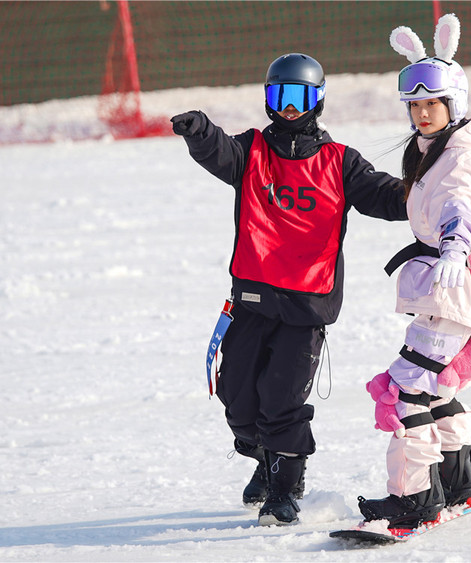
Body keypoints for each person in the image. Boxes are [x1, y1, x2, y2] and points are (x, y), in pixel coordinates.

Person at [171, 53, 407, 526]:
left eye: (300, 97)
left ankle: (284, 488)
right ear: (268, 99)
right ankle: (265, 460)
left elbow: (384, 195)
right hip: (252, 298)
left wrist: (425, 192)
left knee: (281, 400)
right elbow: (220, 151)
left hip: (307, 304)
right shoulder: (252, 151)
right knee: (237, 399)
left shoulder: (340, 161)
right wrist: (200, 132)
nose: (290, 107)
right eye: (281, 96)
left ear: (317, 100)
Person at [357, 14, 471, 528]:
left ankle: (415, 499)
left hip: (451, 287)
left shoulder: (458, 157)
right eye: (414, 104)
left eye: (431, 103)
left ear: (453, 103)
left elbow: (461, 210)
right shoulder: (439, 150)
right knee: (437, 386)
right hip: (449, 287)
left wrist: (454, 250)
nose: (421, 113)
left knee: (405, 389)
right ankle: (460, 486)